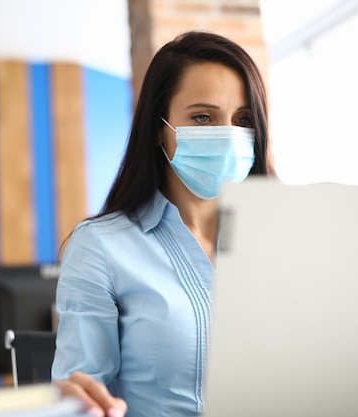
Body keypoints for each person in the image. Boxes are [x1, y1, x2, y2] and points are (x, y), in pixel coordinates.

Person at [51, 31, 274, 417]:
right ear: (160, 128)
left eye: (243, 120)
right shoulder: (101, 247)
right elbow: (83, 398)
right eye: (203, 117)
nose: (227, 135)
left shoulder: (283, 239)